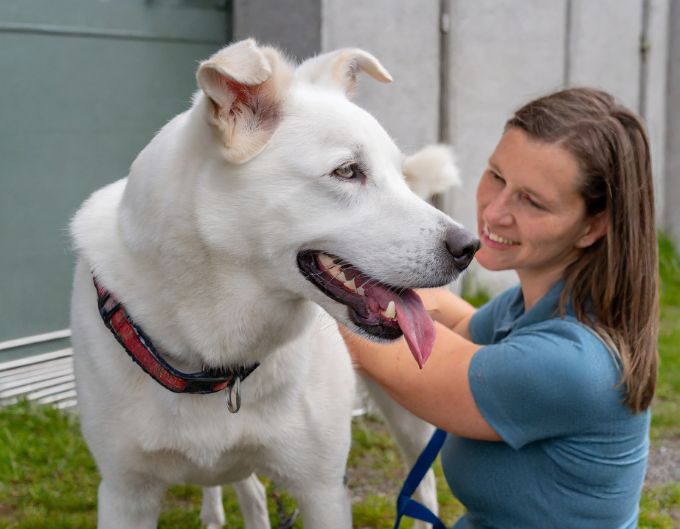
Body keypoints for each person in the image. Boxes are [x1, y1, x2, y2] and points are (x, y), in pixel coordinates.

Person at [340, 87, 659, 529]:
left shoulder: (571, 364)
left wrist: (313, 279)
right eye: (496, 175)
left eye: (531, 200)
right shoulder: (540, 306)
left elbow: (403, 362)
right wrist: (383, 280)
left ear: (593, 226)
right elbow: (460, 322)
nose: (495, 209)